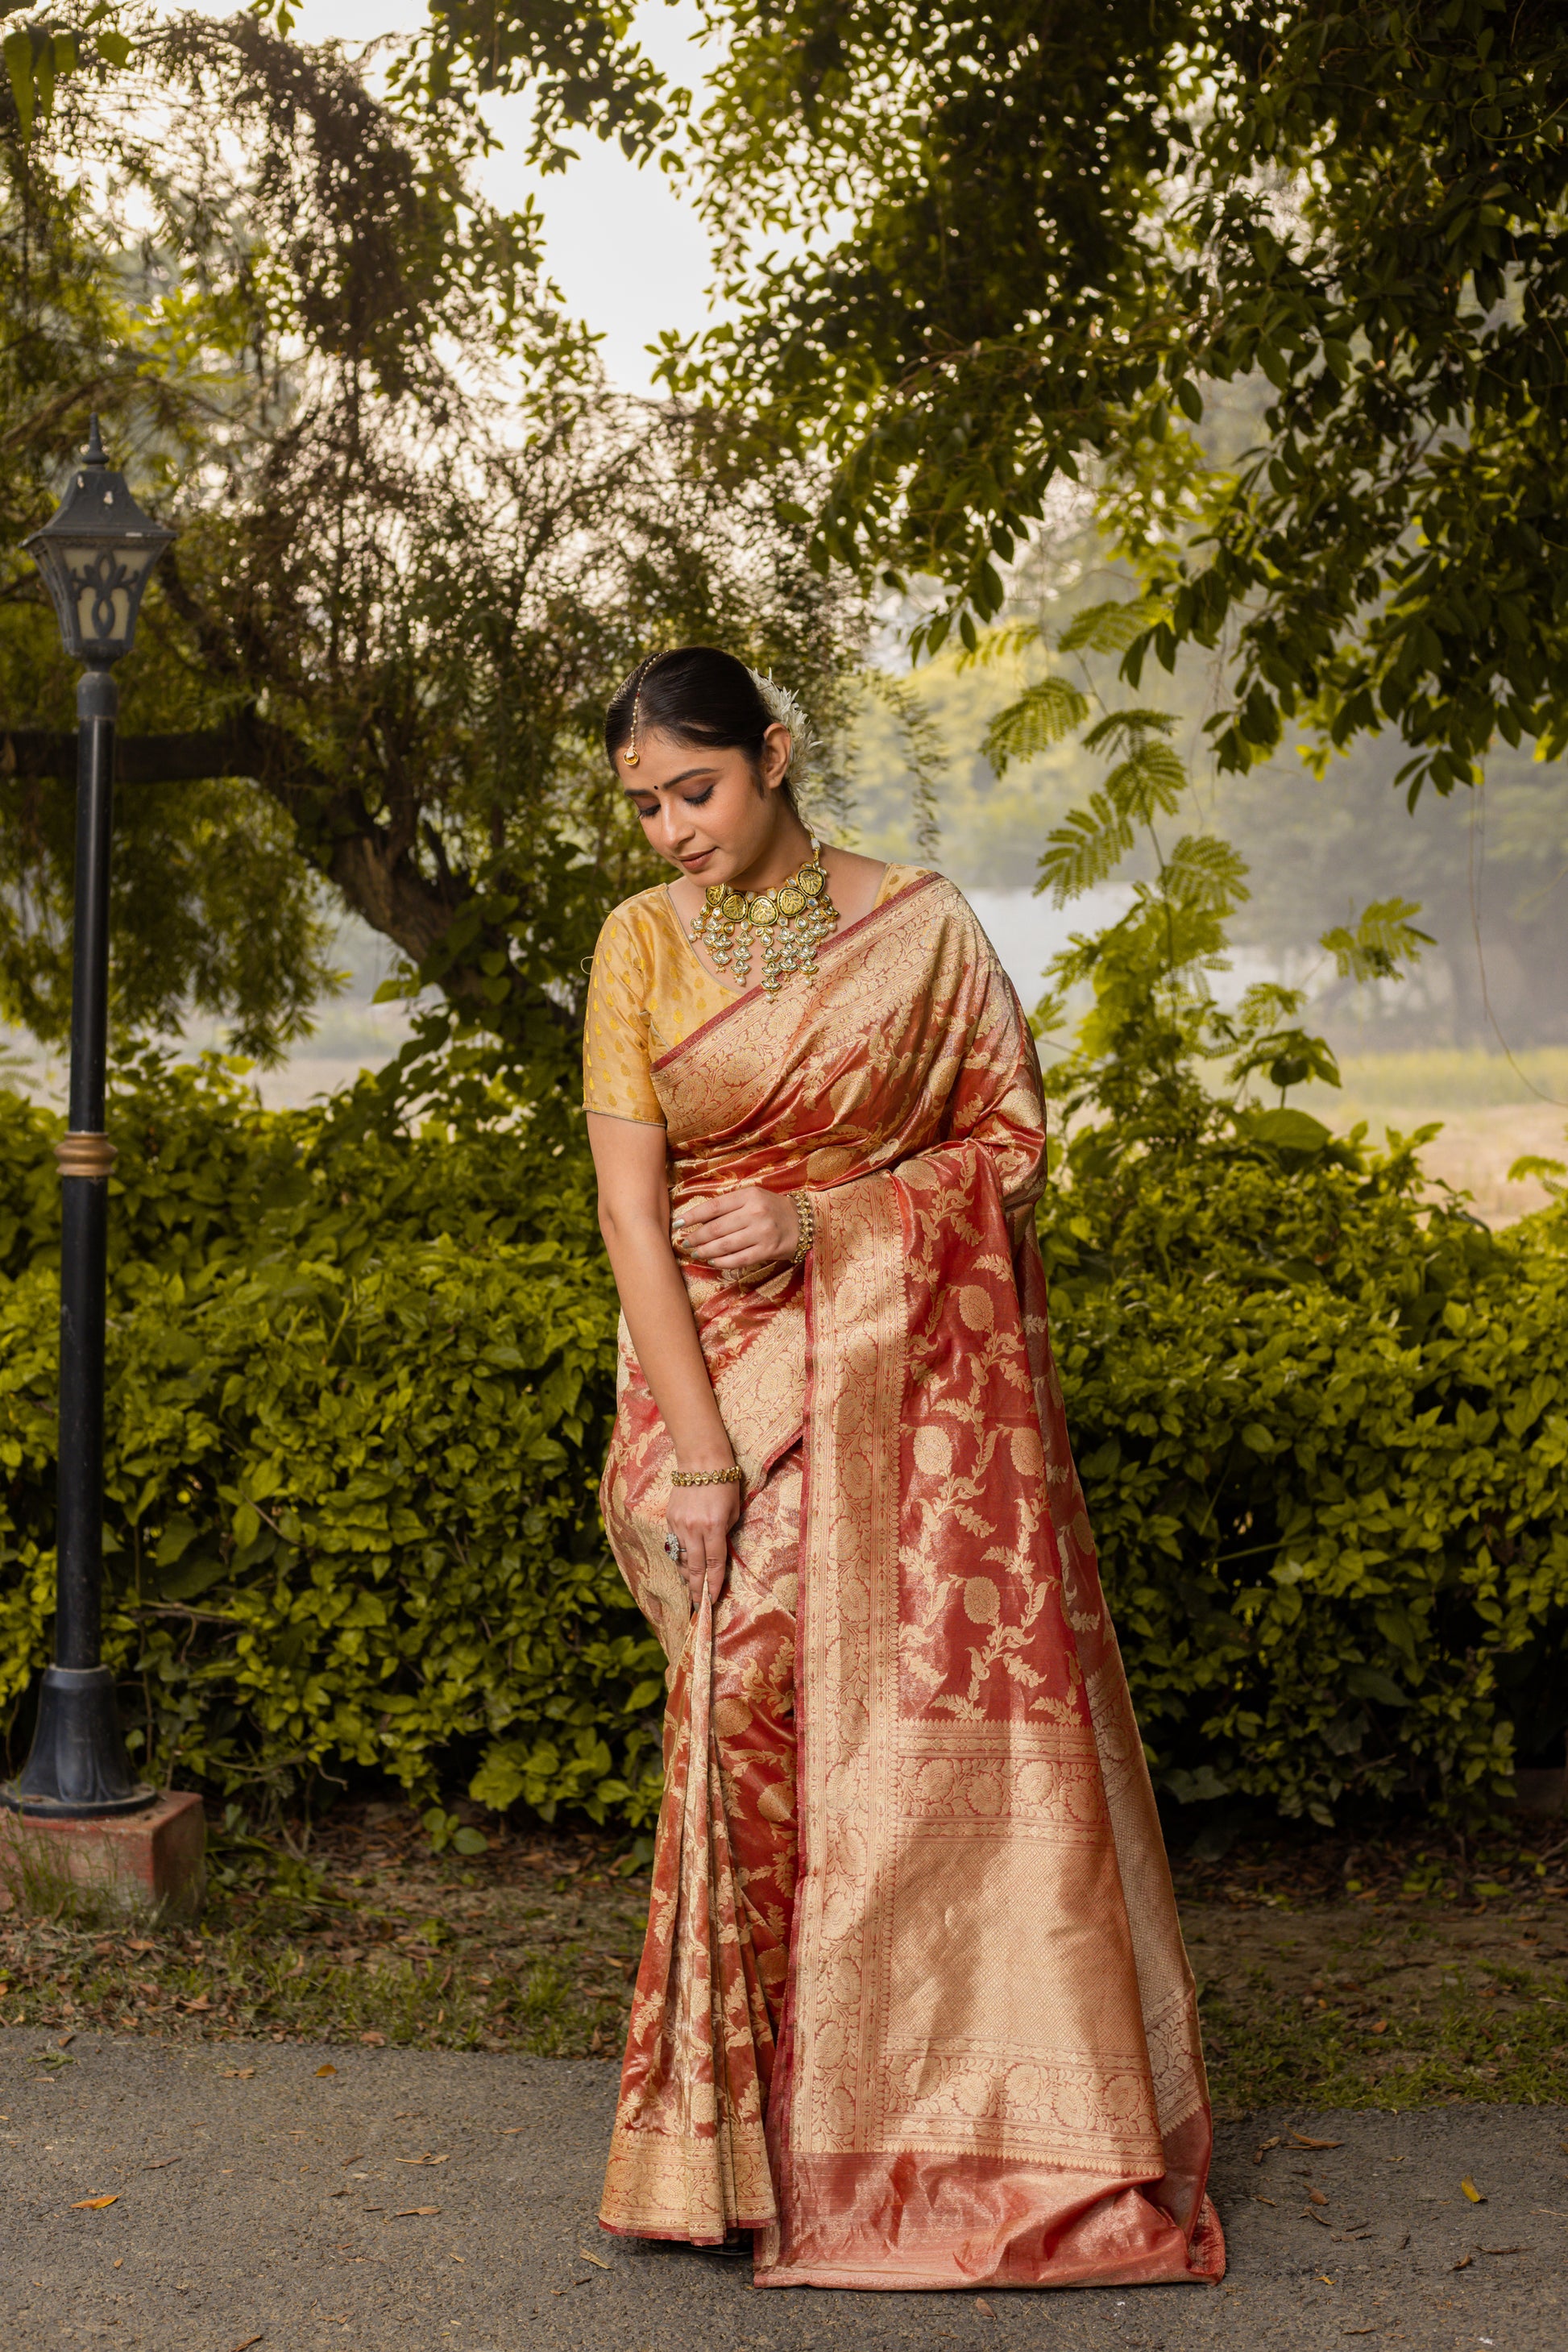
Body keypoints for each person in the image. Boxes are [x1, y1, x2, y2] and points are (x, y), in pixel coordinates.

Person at [582, 645, 1223, 2292]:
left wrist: (824, 1221)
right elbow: (629, 1217)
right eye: (644, 802)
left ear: (776, 754)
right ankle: (733, 2140)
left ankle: (923, 2128)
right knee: (736, 1721)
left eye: (694, 787)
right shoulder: (636, 946)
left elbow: (1005, 1150)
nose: (669, 828)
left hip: (892, 1377)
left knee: (876, 1723)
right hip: (711, 1391)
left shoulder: (922, 928)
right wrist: (706, 1458)